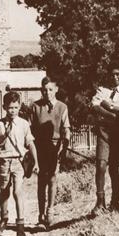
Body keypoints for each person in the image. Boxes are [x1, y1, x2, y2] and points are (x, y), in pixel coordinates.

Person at [0, 91, 39, 236]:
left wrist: (36, 162)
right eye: (10, 107)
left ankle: (20, 226)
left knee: (17, 192)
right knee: (4, 191)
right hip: (3, 162)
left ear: (19, 108)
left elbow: (30, 143)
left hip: (18, 162)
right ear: (5, 107)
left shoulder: (24, 124)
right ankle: (4, 219)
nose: (13, 110)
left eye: (16, 107)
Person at [90, 64, 119, 215]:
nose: (115, 77)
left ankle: (115, 201)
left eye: (118, 74)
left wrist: (107, 105)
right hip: (104, 131)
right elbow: (95, 107)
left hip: (118, 133)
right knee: (101, 164)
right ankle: (100, 201)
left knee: (114, 168)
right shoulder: (102, 90)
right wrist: (114, 113)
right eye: (112, 74)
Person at [29, 76, 70, 228]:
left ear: (56, 90)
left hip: (55, 147)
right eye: (44, 90)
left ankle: (50, 211)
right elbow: (29, 128)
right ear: (41, 90)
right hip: (39, 147)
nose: (47, 93)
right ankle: (40, 215)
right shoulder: (35, 107)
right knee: (41, 180)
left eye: (50, 90)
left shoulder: (62, 107)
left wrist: (64, 145)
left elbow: (66, 128)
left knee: (52, 178)